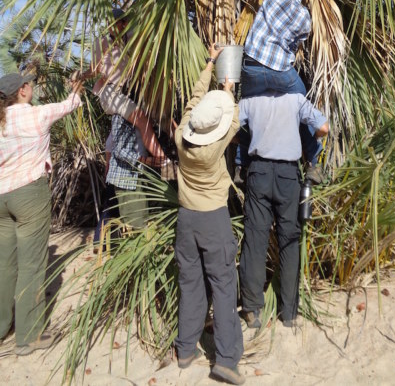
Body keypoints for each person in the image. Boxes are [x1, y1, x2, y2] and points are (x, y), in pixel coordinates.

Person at [174, 44, 245, 385]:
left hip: (186, 220)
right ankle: (227, 360)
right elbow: (233, 118)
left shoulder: (180, 136)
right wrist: (227, 86)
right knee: (223, 285)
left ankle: (186, 349)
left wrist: (208, 63)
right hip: (214, 220)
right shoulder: (216, 146)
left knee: (190, 284)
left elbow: (193, 101)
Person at [0, 71, 83, 355]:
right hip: (29, 194)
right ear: (22, 90)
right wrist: (76, 87)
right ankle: (29, 335)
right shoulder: (37, 115)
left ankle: (2, 327)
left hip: (1, 198)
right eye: (30, 84)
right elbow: (70, 104)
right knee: (32, 264)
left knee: (4, 264)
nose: (32, 87)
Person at [238, 0, 324, 184]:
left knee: (244, 111)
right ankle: (313, 160)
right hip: (280, 74)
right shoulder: (305, 20)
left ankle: (242, 163)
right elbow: (296, 41)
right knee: (301, 106)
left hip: (251, 66)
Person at [238, 90, 328, 330]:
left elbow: (229, 127)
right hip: (288, 176)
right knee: (289, 240)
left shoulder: (249, 100)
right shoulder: (296, 99)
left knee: (255, 240)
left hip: (259, 172)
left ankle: (252, 309)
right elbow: (324, 127)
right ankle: (288, 313)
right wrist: (313, 141)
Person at [78, 7, 166, 164]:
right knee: (141, 119)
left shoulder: (132, 38)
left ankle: (108, 185)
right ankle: (163, 160)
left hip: (130, 90)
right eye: (108, 23)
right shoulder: (102, 43)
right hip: (110, 92)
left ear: (124, 24)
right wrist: (82, 76)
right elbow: (94, 70)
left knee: (115, 138)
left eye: (114, 23)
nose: (109, 27)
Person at [106, 114, 176, 230]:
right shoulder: (122, 114)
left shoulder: (149, 113)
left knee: (147, 221)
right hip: (127, 178)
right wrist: (145, 160)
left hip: (142, 174)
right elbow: (119, 150)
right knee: (136, 225)